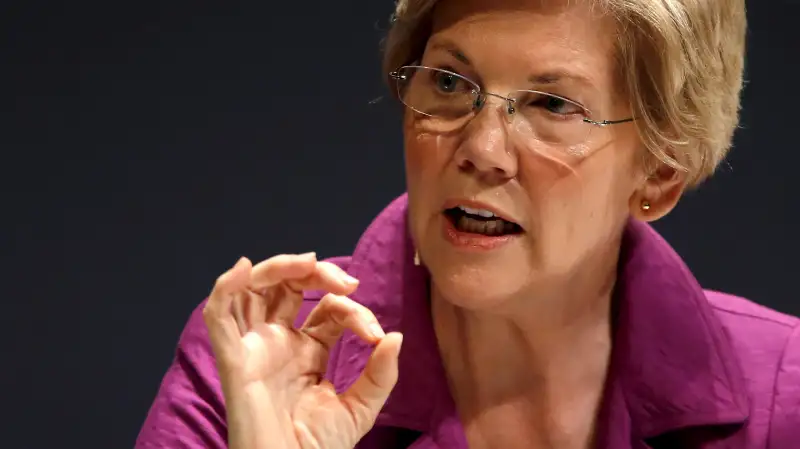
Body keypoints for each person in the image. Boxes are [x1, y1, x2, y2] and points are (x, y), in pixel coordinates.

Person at [135, 0, 800, 448]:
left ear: (659, 171)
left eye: (551, 104)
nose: (481, 149)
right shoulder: (255, 356)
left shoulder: (784, 396)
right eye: (450, 83)